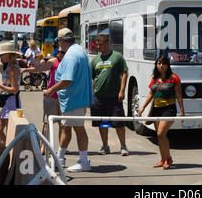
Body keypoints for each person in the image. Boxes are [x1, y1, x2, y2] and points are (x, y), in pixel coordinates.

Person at [43, 28, 93, 172]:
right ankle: (59, 159)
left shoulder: (71, 55)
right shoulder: (79, 50)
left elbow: (66, 80)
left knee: (78, 128)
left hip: (74, 99)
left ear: (62, 41)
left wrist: (51, 89)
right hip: (75, 98)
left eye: (58, 41)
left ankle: (83, 161)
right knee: (66, 128)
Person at [138, 56, 185, 169]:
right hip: (156, 109)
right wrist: (143, 107)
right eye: (159, 63)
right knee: (159, 137)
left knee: (161, 133)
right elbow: (151, 94)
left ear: (168, 65)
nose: (161, 66)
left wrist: (182, 111)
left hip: (168, 109)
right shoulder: (155, 77)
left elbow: (179, 95)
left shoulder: (174, 78)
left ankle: (168, 158)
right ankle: (163, 159)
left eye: (163, 63)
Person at [90, 33, 129, 156]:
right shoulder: (95, 60)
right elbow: (92, 78)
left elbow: (124, 74)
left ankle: (123, 146)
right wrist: (92, 94)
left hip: (114, 97)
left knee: (119, 123)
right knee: (103, 122)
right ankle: (105, 146)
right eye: (96, 44)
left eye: (100, 44)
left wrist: (122, 91)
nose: (98, 47)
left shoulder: (117, 57)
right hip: (99, 97)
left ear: (107, 43)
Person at [22, 47, 65, 154]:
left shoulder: (69, 62)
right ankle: (43, 147)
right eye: (58, 52)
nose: (59, 54)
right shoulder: (53, 62)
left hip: (64, 98)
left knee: (63, 125)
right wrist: (26, 69)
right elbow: (40, 68)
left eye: (62, 52)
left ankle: (62, 148)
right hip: (50, 97)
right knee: (47, 124)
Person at [0, 42, 22, 144]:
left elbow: (14, 90)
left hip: (11, 102)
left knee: (2, 130)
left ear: (9, 55)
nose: (0, 56)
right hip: (9, 101)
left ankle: (6, 154)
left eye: (2, 54)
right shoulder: (11, 66)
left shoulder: (12, 69)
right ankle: (5, 153)